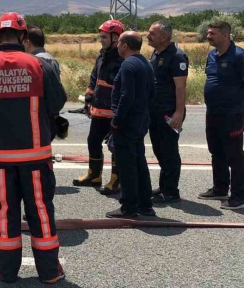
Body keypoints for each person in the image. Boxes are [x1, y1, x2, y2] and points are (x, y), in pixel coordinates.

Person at [0, 12, 67, 284]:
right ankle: (49, 271)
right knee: (41, 212)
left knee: (5, 214)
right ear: (23, 36)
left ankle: (7, 272)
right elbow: (57, 103)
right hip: (36, 158)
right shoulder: (38, 65)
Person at [106, 31, 156, 218]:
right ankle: (145, 204)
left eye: (119, 42)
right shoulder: (146, 63)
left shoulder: (128, 65)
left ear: (125, 45)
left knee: (127, 166)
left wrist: (117, 120)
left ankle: (128, 206)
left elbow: (127, 95)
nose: (117, 45)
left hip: (127, 123)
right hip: (141, 121)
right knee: (139, 163)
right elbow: (152, 94)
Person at [73, 20, 125, 195]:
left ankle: (116, 180)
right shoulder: (102, 55)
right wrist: (89, 95)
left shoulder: (123, 58)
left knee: (115, 146)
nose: (101, 40)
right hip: (98, 110)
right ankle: (94, 175)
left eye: (104, 37)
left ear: (116, 38)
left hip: (114, 113)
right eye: (100, 36)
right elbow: (94, 77)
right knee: (93, 141)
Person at [199, 20, 244, 210]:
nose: (208, 36)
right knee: (216, 151)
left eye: (212, 34)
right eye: (208, 33)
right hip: (213, 113)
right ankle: (220, 188)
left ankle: (239, 196)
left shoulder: (239, 56)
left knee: (234, 155)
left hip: (232, 115)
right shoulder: (211, 55)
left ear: (225, 35)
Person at [147, 21, 188, 203]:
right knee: (159, 150)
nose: (148, 36)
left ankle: (171, 191)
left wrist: (178, 113)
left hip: (169, 112)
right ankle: (164, 186)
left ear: (163, 37)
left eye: (152, 33)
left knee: (170, 151)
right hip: (155, 112)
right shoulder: (156, 53)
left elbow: (181, 88)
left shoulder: (177, 56)